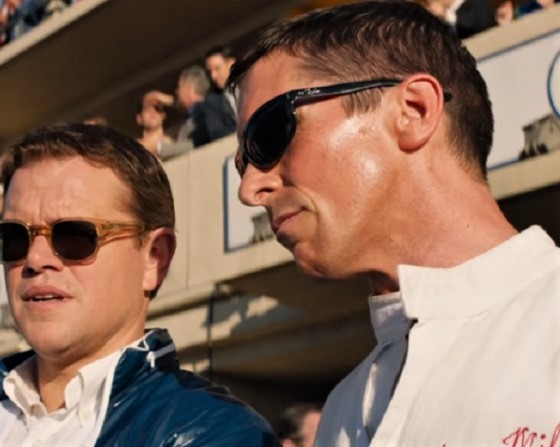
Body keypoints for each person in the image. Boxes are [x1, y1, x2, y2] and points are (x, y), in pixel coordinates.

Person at [228, 1, 560, 445]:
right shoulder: (341, 410)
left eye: (269, 135)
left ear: (415, 110)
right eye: (243, 162)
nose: (249, 189)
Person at [0, 123, 276, 446]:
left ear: (154, 258)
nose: (35, 259)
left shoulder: (214, 434)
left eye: (74, 236)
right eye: (13, 238)